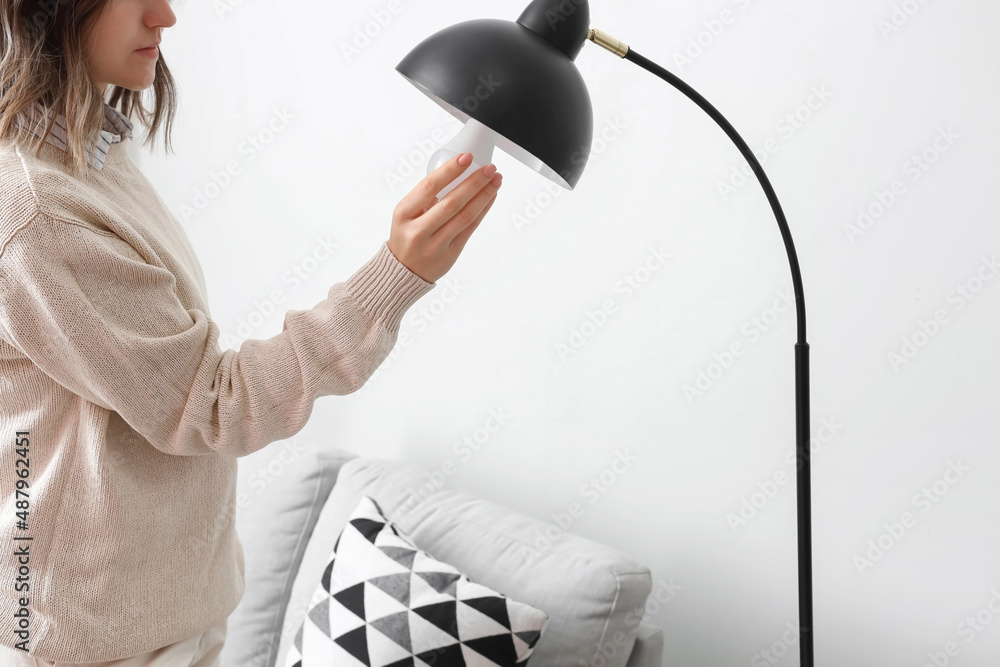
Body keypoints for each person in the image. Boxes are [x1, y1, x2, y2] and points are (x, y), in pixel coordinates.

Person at [0, 0, 503, 665]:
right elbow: (210, 402)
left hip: (170, 612)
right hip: (88, 639)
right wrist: (396, 275)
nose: (165, 16)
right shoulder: (40, 214)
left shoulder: (89, 152)